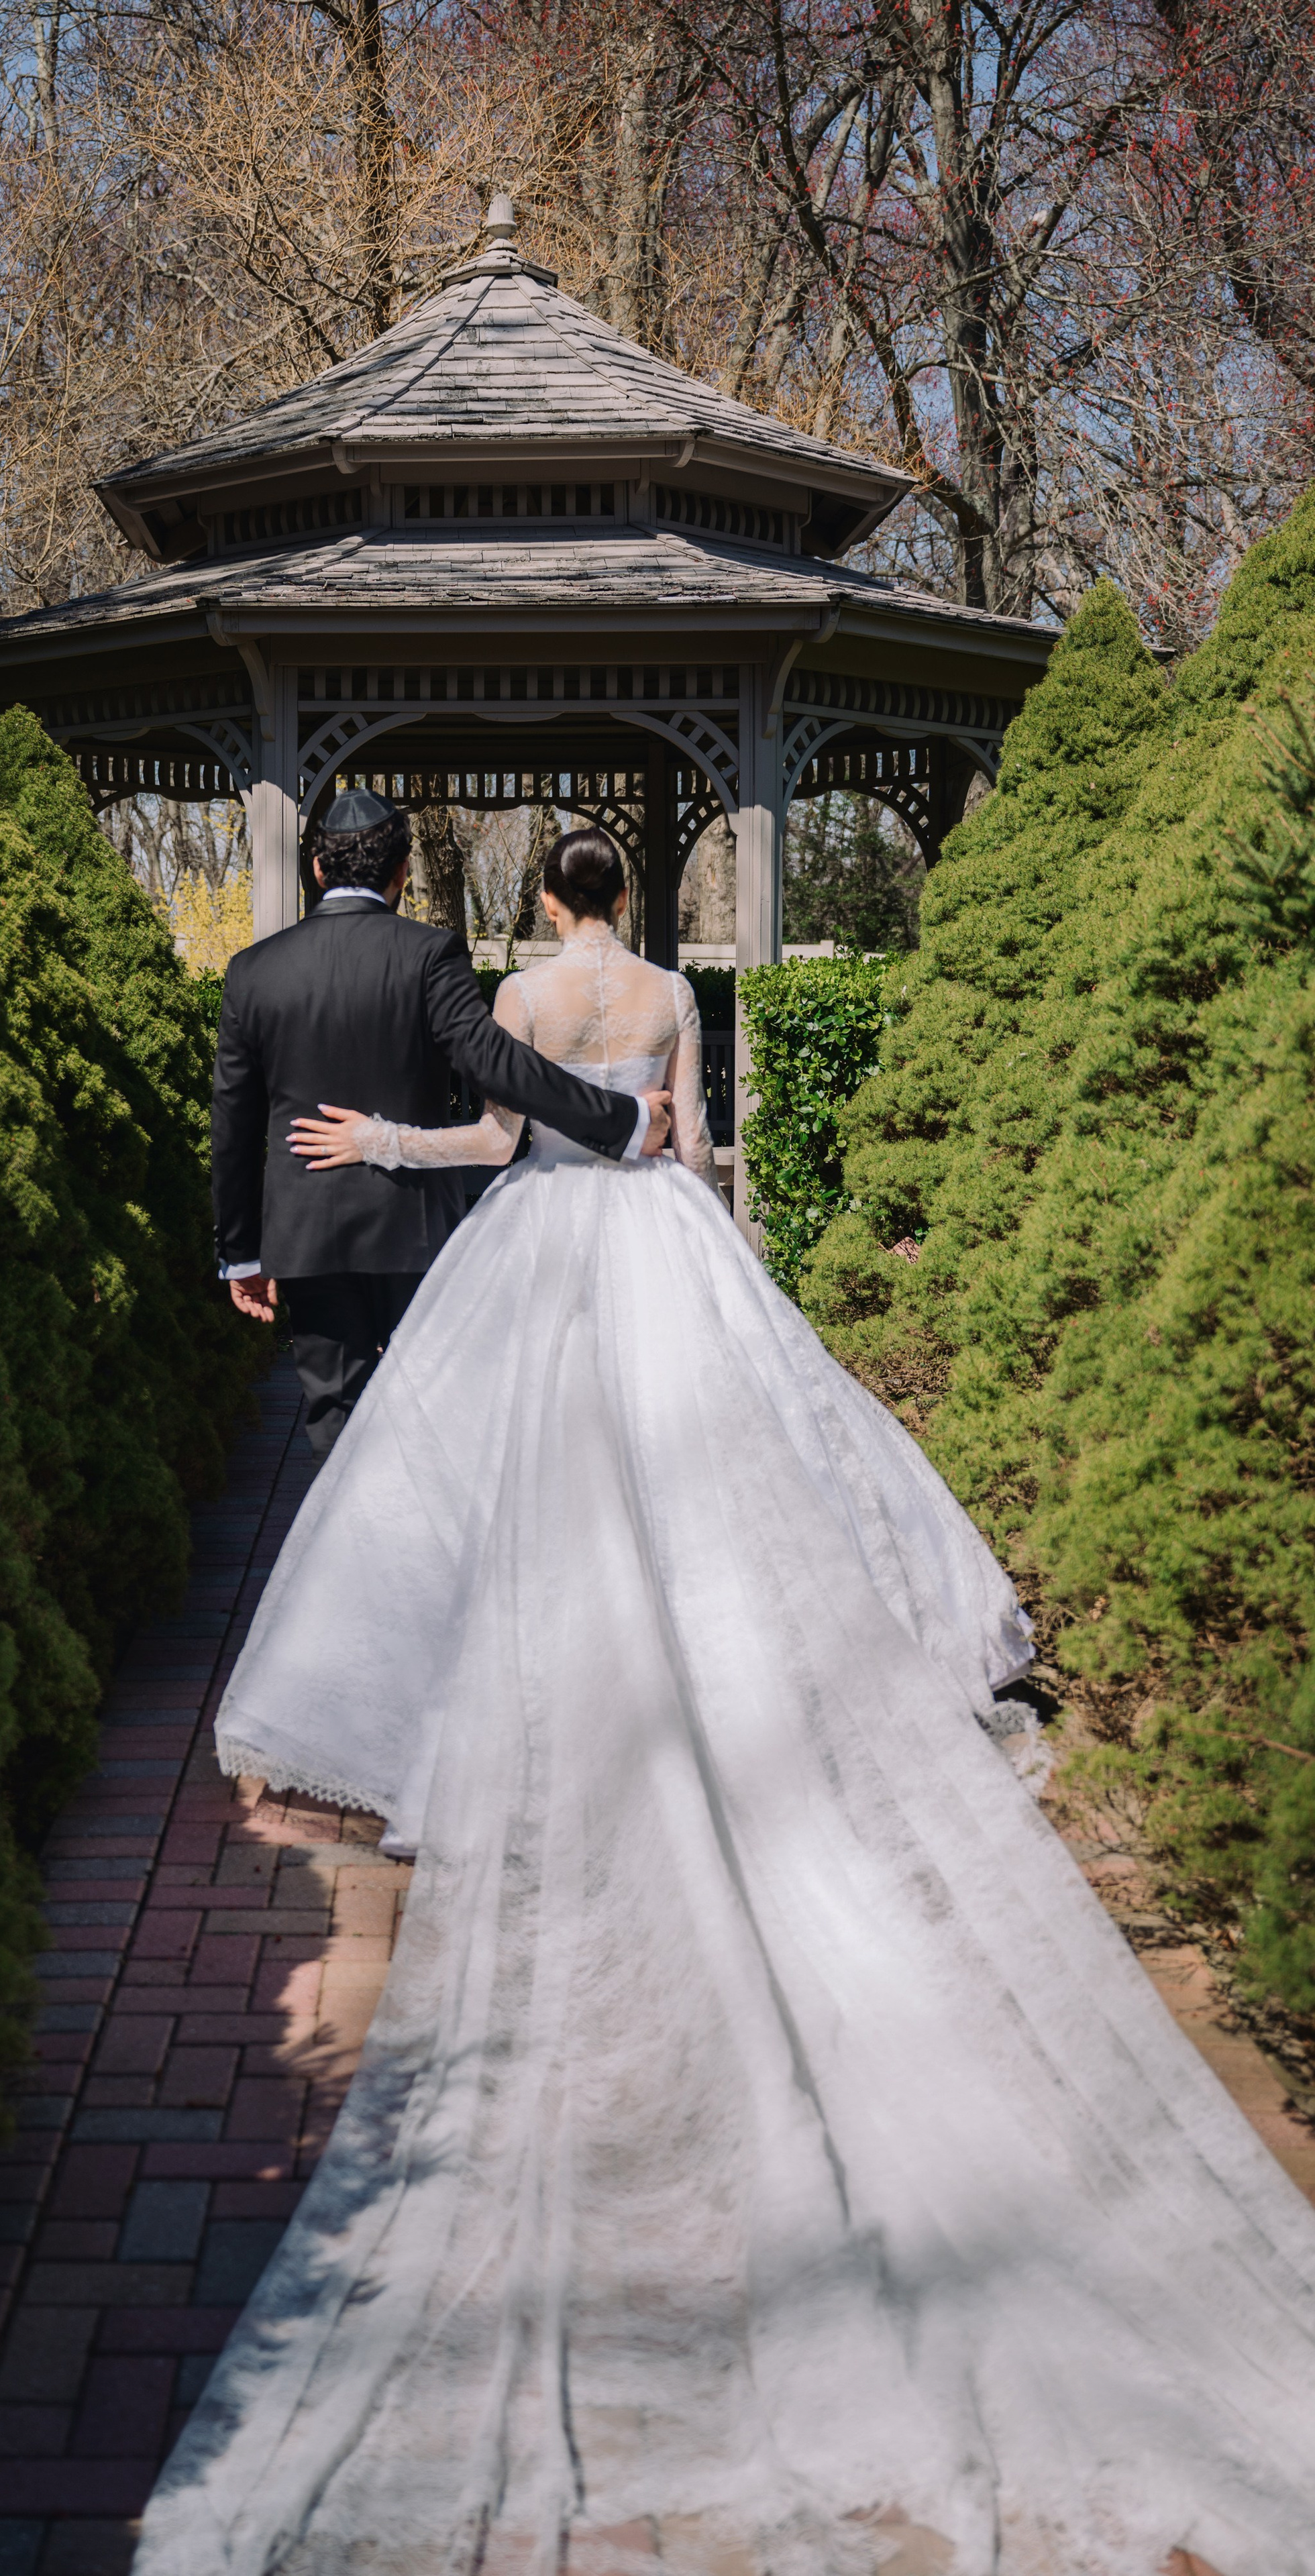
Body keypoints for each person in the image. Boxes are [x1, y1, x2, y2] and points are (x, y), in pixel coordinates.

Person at [138, 828, 1315, 2576]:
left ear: (544, 899)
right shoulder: (674, 990)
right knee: (730, 1480)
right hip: (666, 1242)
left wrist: (377, 1141)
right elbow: (670, 1130)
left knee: (538, 1486)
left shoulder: (517, 988)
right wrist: (638, 1132)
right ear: (636, 893)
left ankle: (553, 1696)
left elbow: (496, 1128)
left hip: (544, 1246)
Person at [210, 788, 671, 1456]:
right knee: (431, 1413)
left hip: (305, 1234)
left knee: (334, 1418)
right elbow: (497, 1064)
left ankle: (354, 1558)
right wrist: (622, 1119)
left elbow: (233, 1123)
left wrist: (241, 1252)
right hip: (411, 1227)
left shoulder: (252, 972)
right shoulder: (430, 954)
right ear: (402, 871)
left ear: (316, 869)